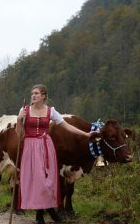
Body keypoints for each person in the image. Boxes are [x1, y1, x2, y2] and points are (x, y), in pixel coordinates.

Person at [16, 84, 96, 224]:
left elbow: (67, 126)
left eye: (36, 93)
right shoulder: (25, 111)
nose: (33, 96)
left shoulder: (51, 111)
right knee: (38, 181)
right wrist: (19, 119)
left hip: (46, 147)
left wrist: (86, 134)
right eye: (32, 93)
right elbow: (19, 134)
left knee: (48, 181)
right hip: (31, 147)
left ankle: (46, 211)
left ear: (43, 96)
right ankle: (44, 214)